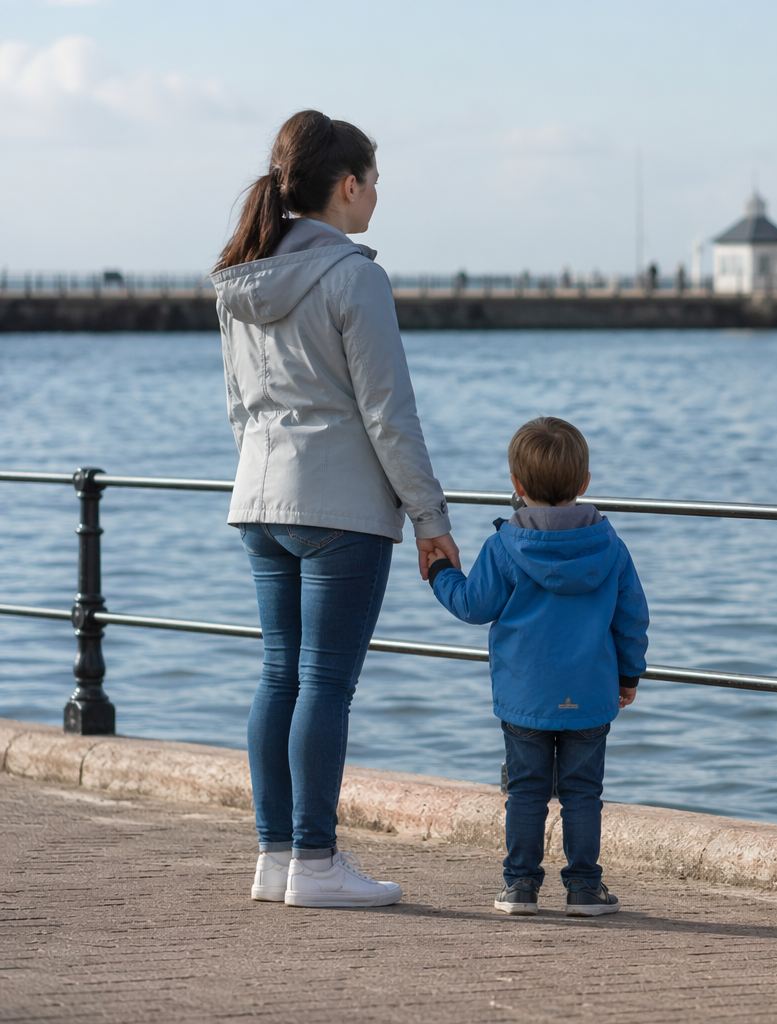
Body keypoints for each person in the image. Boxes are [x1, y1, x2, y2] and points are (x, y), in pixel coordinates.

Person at [211, 110, 460, 909]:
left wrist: (265, 477)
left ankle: (276, 858)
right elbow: (390, 414)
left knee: (279, 675)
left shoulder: (240, 278)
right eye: (375, 182)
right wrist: (430, 519)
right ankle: (316, 863)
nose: (378, 195)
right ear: (348, 186)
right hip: (339, 509)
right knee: (323, 682)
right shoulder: (356, 277)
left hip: (260, 499)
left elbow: (239, 407)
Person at [427, 417, 648, 917]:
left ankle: (520, 887)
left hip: (524, 695)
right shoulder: (610, 546)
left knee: (525, 791)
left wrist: (441, 573)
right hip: (590, 693)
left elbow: (472, 605)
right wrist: (629, 675)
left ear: (516, 484)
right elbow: (632, 618)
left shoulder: (504, 547)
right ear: (584, 483)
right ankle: (584, 889)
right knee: (583, 793)